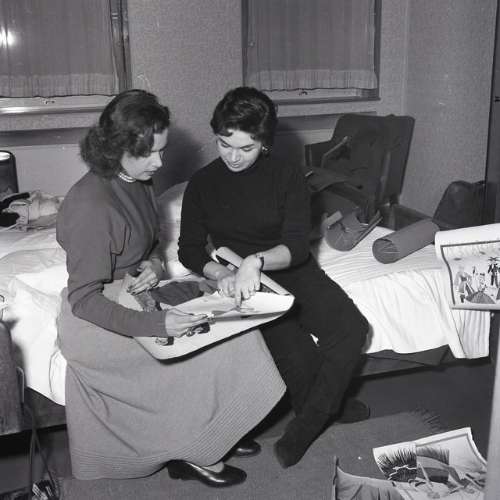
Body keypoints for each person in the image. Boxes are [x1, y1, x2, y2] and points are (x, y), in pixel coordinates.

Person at [56, 89, 285, 486]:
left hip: (132, 293)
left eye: (161, 151)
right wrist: (157, 325)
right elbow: (84, 300)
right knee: (203, 342)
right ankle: (198, 451)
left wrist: (152, 265)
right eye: (150, 153)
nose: (160, 162)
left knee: (234, 324)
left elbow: (151, 246)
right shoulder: (91, 206)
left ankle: (217, 432)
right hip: (97, 322)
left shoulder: (136, 178)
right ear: (117, 147)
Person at [178, 86, 369, 468]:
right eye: (224, 144)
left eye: (245, 148)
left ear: (264, 143)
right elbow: (190, 249)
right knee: (296, 353)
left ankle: (307, 424)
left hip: (288, 267)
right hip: (244, 281)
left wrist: (257, 260)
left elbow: (297, 247)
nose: (233, 157)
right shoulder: (201, 183)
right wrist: (221, 273)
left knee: (351, 328)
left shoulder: (288, 175)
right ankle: (332, 406)